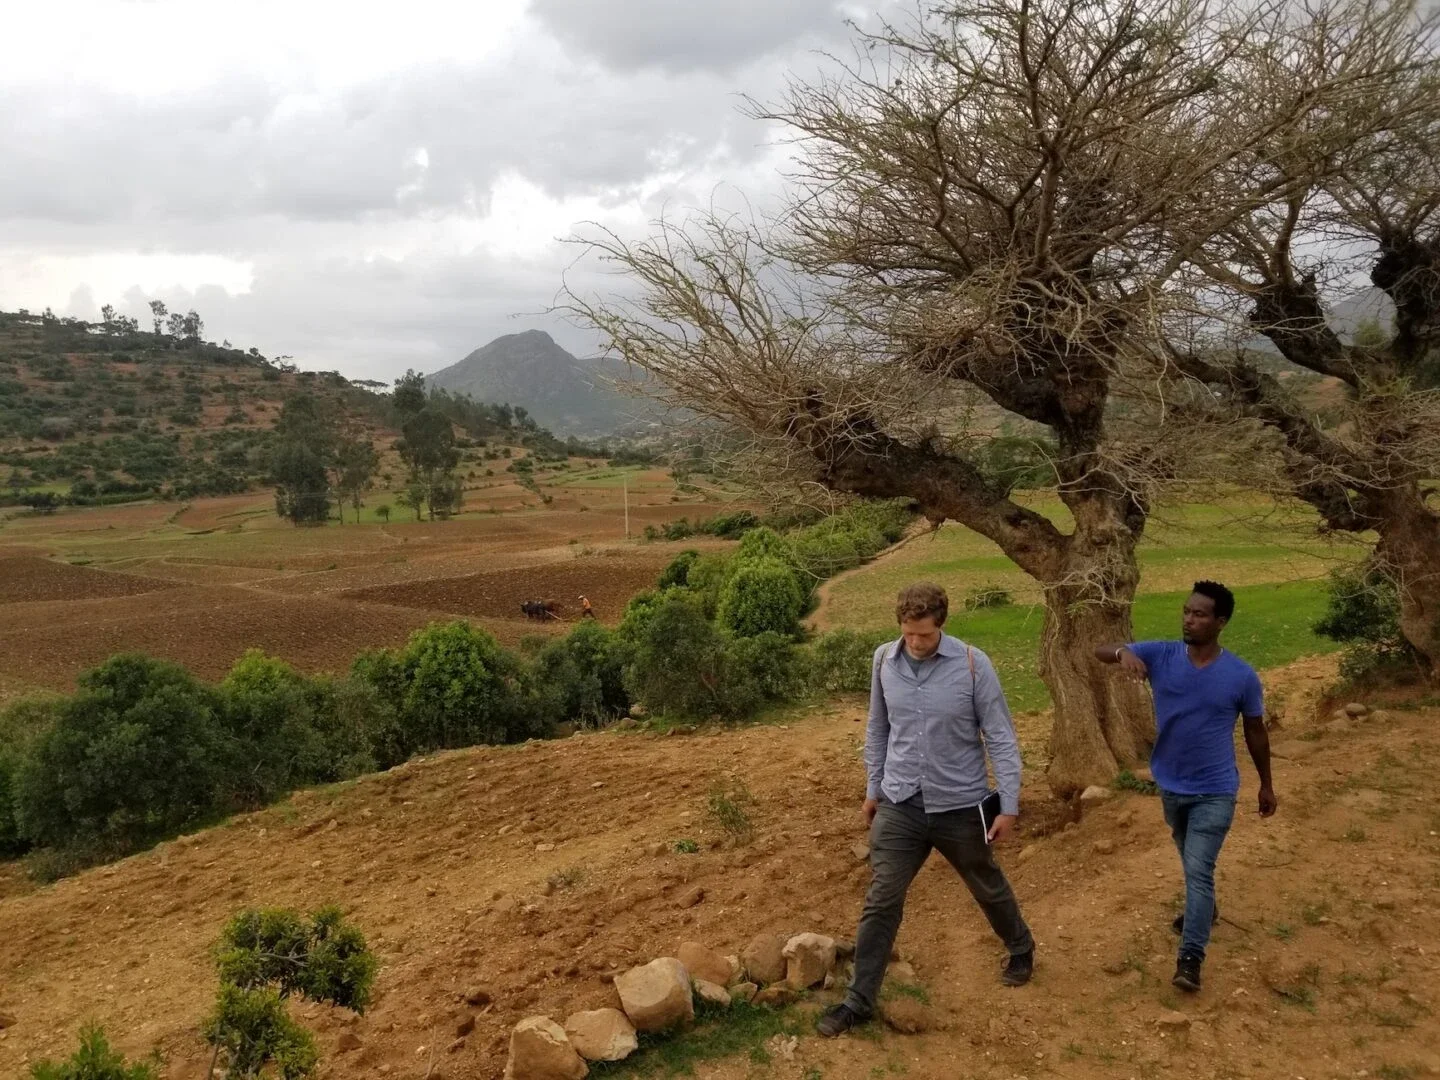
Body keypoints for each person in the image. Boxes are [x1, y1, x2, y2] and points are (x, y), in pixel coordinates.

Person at [816, 582, 1034, 1038]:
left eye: (925, 635)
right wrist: (873, 788)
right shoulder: (883, 660)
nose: (915, 643)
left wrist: (1008, 805)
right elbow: (878, 728)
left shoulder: (972, 664)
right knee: (882, 899)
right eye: (909, 633)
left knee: (986, 882)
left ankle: (1020, 946)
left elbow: (1000, 736)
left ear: (942, 624)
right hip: (900, 802)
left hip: (960, 804)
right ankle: (858, 1001)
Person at [1095, 580, 1276, 993]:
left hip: (1215, 790)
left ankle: (1190, 959)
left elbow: (1255, 731)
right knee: (1189, 859)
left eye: (1199, 614)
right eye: (1186, 611)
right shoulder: (1163, 655)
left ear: (1220, 622)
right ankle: (1205, 910)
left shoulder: (1241, 676)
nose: (1189, 620)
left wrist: (1266, 785)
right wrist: (1123, 653)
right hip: (1171, 785)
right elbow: (1101, 651)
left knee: (1198, 869)